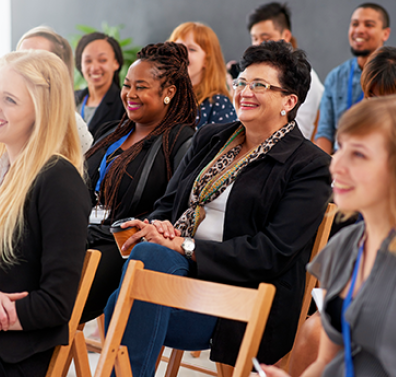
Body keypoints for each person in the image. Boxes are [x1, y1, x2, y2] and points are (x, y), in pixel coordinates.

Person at [103, 40, 331, 376]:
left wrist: (185, 245)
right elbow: (169, 204)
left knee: (127, 297)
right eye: (240, 82)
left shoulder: (309, 164)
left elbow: (271, 253)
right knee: (141, 273)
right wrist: (159, 227)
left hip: (241, 297)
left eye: (259, 85)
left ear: (289, 101)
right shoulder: (212, 137)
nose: (244, 91)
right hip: (176, 274)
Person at [277, 44, 396, 377]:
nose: (336, 166)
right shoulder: (345, 248)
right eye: (341, 149)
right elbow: (325, 360)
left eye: (358, 154)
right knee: (310, 332)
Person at [81, 41, 197, 322]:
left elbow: (172, 209)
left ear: (168, 92)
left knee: (50, 292)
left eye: (141, 87)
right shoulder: (110, 132)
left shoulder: (180, 142)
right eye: (127, 85)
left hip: (122, 246)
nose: (130, 94)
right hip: (81, 234)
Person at [0, 50, 91, 376]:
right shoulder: (6, 169)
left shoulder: (58, 181)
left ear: (42, 112)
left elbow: (56, 304)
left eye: (9, 100)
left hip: (15, 355)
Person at [315, 3, 391, 154]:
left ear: (385, 34)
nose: (359, 30)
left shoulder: (394, 74)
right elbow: (324, 132)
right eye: (355, 24)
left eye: (369, 25)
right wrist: (324, 170)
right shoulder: (335, 77)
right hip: (340, 158)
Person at [244, 2, 324, 139]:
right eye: (254, 39)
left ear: (286, 35)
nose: (258, 45)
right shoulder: (247, 72)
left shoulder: (303, 79)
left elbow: (299, 134)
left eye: (265, 38)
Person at [16, 26, 94, 153]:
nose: (25, 63)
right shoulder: (7, 112)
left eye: (37, 57)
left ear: (58, 66)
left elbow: (84, 169)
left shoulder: (72, 125)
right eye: (20, 55)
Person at [168, 22, 237, 128]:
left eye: (192, 49)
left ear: (207, 61)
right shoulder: (162, 96)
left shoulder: (218, 104)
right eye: (178, 47)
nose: (183, 53)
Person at [75, 32, 125, 137]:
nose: (94, 68)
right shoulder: (69, 100)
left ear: (116, 63)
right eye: (88, 61)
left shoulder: (124, 105)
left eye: (102, 60)